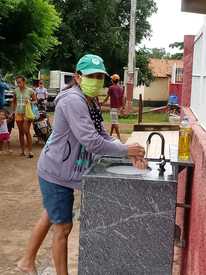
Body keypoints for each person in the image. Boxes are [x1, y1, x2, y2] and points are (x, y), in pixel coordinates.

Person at [17, 54, 147, 275]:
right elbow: (92, 141)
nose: (96, 80)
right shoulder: (72, 101)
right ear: (77, 77)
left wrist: (128, 154)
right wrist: (126, 150)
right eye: (91, 76)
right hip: (57, 170)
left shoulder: (90, 99)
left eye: (99, 76)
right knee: (63, 228)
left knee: (51, 214)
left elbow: (102, 135)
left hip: (64, 169)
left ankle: (26, 261)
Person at [12, 76, 36, 158]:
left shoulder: (30, 90)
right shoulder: (16, 91)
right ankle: (22, 151)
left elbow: (35, 100)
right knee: (20, 132)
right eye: (17, 82)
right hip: (18, 113)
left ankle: (30, 151)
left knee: (26, 131)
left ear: (24, 82)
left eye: (19, 82)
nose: (18, 84)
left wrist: (29, 101)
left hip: (27, 114)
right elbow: (14, 101)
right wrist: (14, 111)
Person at [102, 74, 124, 140]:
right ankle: (110, 135)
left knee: (114, 122)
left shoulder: (111, 88)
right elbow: (122, 98)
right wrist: (122, 107)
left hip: (113, 107)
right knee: (113, 121)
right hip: (118, 108)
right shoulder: (121, 88)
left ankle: (119, 137)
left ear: (112, 80)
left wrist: (102, 103)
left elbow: (107, 97)